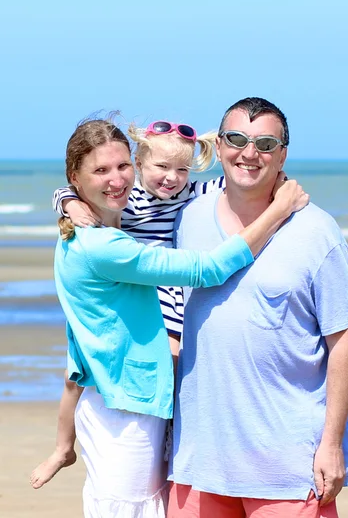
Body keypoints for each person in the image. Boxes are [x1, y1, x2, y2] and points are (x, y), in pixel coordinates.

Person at [35, 116, 308, 518]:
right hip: (126, 403)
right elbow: (209, 267)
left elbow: (229, 185)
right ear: (75, 177)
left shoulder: (95, 225)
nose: (117, 180)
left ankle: (63, 449)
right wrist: (279, 209)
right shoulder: (105, 244)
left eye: (121, 166)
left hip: (120, 393)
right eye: (102, 171)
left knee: (139, 516)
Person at [167, 98, 348, 518]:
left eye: (265, 143)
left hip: (286, 466)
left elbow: (345, 345)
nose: (248, 153)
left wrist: (331, 445)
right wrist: (65, 201)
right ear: (219, 147)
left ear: (283, 154)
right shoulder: (188, 218)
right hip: (199, 461)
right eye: (237, 139)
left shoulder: (317, 232)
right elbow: (116, 198)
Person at [31, 121, 230, 490]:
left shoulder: (192, 192)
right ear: (140, 163)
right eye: (161, 168)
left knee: (173, 358)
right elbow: (64, 190)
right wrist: (71, 203)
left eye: (181, 169)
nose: (171, 179)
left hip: (164, 285)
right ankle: (62, 447)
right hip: (139, 281)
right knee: (74, 377)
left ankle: (173, 441)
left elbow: (237, 182)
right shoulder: (129, 195)